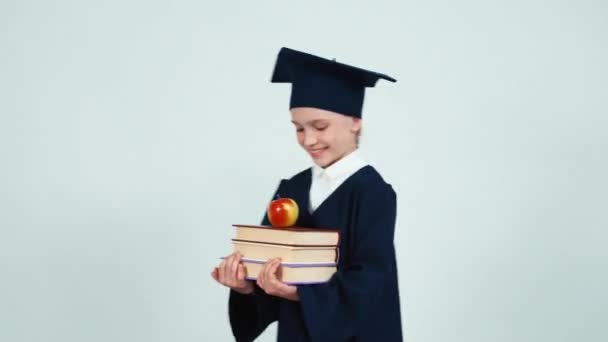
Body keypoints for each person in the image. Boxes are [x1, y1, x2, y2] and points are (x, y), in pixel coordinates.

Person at [211, 47, 403, 342]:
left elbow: (369, 284)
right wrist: (246, 286)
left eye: (320, 126)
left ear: (355, 121)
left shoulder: (372, 193)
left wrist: (300, 293)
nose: (309, 139)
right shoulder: (293, 188)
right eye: (299, 129)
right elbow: (269, 265)